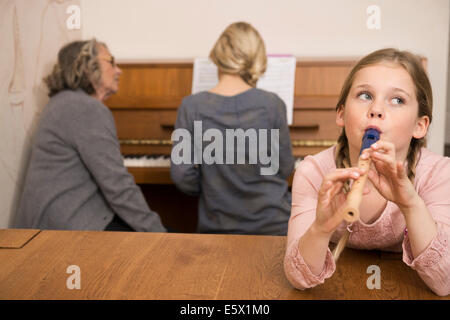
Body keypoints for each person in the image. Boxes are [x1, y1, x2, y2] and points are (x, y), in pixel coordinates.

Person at [283, 48, 450, 296]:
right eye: (364, 95)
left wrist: (411, 204)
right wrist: (320, 229)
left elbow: (444, 281)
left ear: (419, 125)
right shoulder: (314, 172)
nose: (376, 109)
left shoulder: (438, 173)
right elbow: (298, 278)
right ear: (341, 113)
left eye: (397, 100)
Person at [14, 39, 167, 233]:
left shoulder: (65, 102)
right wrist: (159, 235)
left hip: (56, 219)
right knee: (166, 246)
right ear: (86, 67)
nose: (119, 70)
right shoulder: (85, 108)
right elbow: (118, 186)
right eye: (111, 61)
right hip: (65, 227)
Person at [170, 22, 295, 235]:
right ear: (257, 58)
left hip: (218, 228)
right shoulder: (272, 104)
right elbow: (284, 167)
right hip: (274, 227)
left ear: (218, 55)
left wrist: (215, 187)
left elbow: (182, 177)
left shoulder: (191, 106)